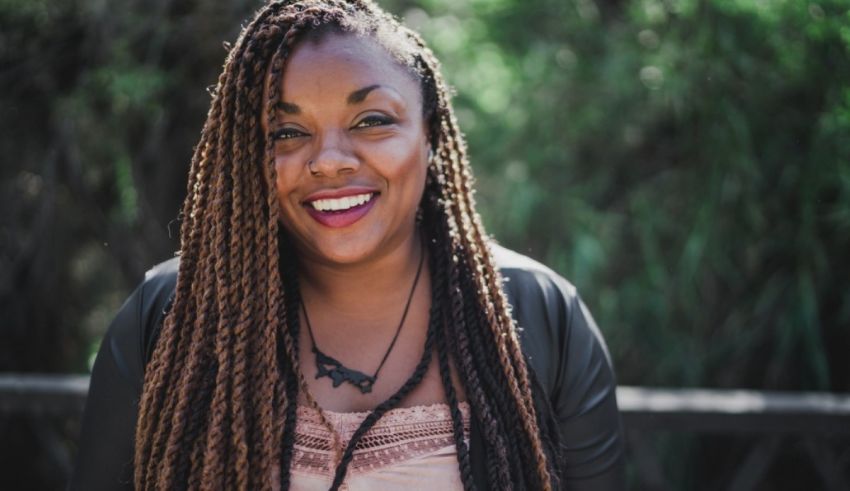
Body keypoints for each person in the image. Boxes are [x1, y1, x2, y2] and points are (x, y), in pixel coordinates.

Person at [71, 1, 626, 489]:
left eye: (371, 121)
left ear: (429, 133)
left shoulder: (541, 314)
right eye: (287, 132)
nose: (329, 159)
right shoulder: (173, 317)